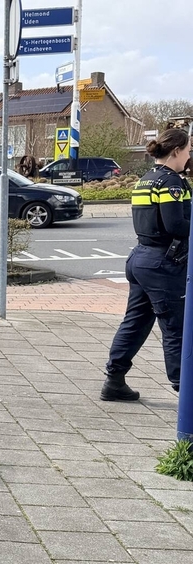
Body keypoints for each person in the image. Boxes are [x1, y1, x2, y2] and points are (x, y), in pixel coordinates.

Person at [102, 128, 192, 401]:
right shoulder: (171, 183)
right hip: (164, 264)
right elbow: (175, 224)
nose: (189, 156)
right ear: (176, 151)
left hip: (141, 258)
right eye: (188, 151)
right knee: (176, 326)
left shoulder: (146, 179)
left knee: (136, 321)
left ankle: (114, 380)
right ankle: (185, 393)